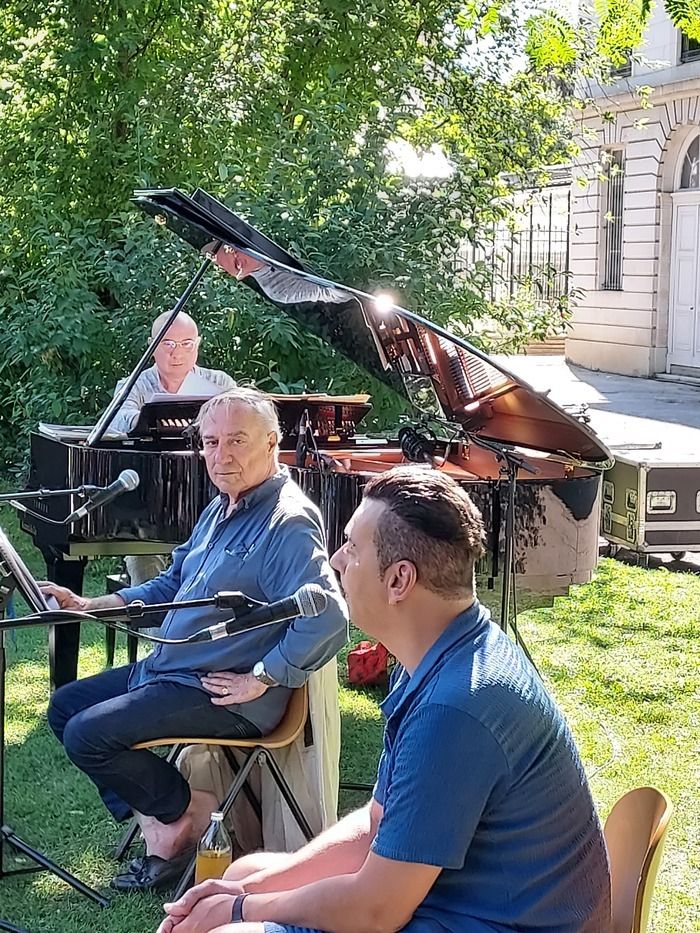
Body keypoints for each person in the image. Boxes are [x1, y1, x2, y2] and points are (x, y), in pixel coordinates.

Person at [157, 467, 611, 933]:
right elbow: (376, 826)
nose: (336, 560)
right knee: (241, 875)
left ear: (399, 581)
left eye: (353, 548)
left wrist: (239, 911)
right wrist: (244, 894)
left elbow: (376, 911)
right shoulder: (438, 655)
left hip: (476, 919)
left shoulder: (454, 709)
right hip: (449, 905)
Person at [42, 387, 349, 893]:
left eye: (236, 441)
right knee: (64, 709)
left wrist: (263, 677)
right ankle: (168, 818)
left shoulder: (288, 521)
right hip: (172, 671)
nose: (220, 455)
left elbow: (330, 617)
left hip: (216, 689)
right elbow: (171, 585)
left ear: (272, 442)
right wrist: (91, 605)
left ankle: (186, 815)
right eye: (209, 442)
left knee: (87, 735)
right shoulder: (221, 507)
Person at [109, 309, 236, 589]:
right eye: (167, 344)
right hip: (151, 503)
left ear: (198, 345)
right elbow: (118, 418)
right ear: (153, 346)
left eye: (186, 344)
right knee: (143, 559)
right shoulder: (135, 385)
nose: (176, 353)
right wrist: (157, 416)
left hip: (215, 495)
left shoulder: (221, 384)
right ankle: (160, 630)